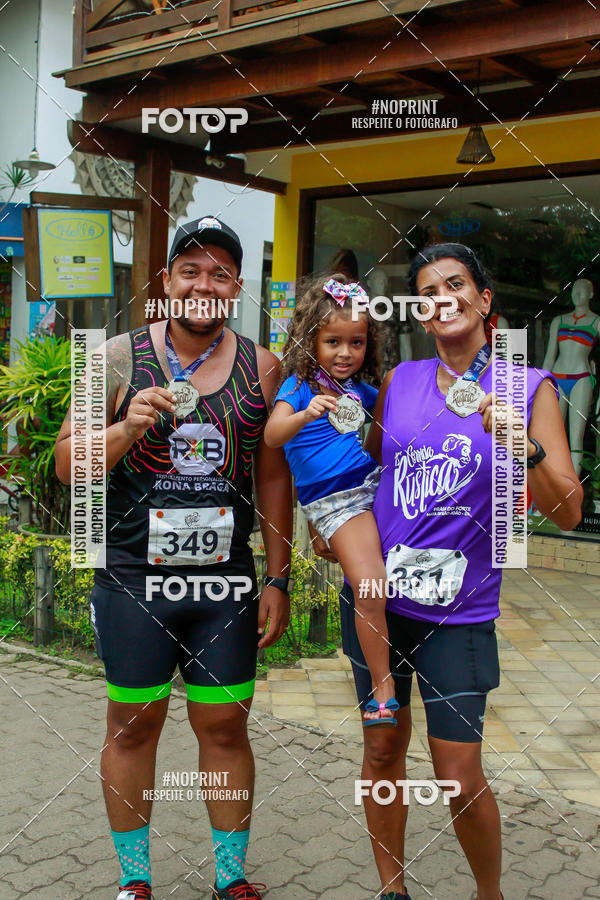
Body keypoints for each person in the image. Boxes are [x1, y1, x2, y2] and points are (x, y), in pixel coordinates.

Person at [315, 243, 582, 900]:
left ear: (485, 300)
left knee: (458, 773)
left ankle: (487, 893)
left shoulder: (526, 386)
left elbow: (569, 510)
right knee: (381, 753)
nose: (444, 297)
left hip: (459, 615)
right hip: (379, 602)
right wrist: (336, 525)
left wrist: (527, 446)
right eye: (429, 291)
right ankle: (391, 889)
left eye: (456, 283)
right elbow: (372, 460)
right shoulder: (402, 379)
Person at [55, 217, 293, 900]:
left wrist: (277, 575)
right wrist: (127, 426)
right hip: (134, 580)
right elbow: (69, 465)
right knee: (134, 726)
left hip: (224, 585)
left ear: (235, 287)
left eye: (219, 272)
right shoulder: (113, 358)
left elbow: (271, 476)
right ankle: (135, 880)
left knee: (223, 724)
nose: (203, 282)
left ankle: (230, 876)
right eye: (190, 269)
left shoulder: (262, 366)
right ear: (166, 282)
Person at [264, 274, 398, 724]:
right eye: (334, 341)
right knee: (370, 586)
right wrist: (304, 414)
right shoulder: (298, 388)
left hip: (371, 485)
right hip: (336, 501)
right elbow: (271, 436)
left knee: (386, 579)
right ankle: (382, 685)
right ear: (311, 341)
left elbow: (395, 413)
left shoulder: (358, 390)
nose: (345, 353)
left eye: (356, 343)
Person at [543, 277, 600, 477]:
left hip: (581, 379)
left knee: (576, 438)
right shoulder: (559, 321)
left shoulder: (597, 321)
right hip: (557, 378)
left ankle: (572, 490)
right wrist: (540, 385)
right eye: (575, 289)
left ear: (591, 294)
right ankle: (554, 488)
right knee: (553, 437)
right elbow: (550, 357)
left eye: (583, 290)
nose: (578, 293)